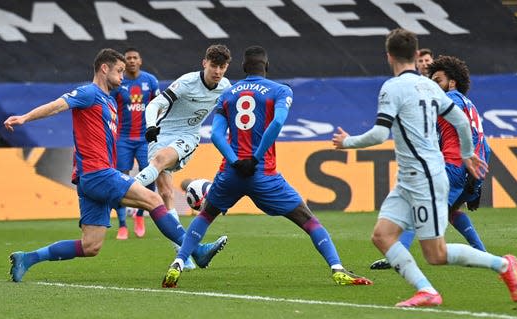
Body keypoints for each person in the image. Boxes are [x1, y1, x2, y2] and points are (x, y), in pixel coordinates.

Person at [332, 29, 517, 307]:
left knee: (435, 254)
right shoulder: (431, 86)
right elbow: (459, 120)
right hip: (410, 178)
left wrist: (346, 142)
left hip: (426, 178)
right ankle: (426, 291)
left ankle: (503, 265)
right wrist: (469, 154)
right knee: (382, 236)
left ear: (389, 56)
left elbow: (378, 135)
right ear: (414, 55)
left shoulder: (393, 87)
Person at [3, 48, 226, 282]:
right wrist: (25, 118)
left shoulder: (110, 101)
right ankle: (197, 250)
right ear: (104, 68)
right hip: (98, 173)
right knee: (153, 200)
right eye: (119, 71)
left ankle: (27, 258)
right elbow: (59, 105)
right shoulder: (89, 93)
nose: (122, 76)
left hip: (91, 178)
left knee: (90, 245)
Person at [161, 45, 373, 288]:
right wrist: (255, 158)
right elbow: (279, 121)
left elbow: (217, 135)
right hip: (263, 173)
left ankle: (178, 261)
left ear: (243, 68)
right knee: (308, 219)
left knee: (207, 214)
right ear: (267, 66)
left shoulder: (227, 94)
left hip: (231, 172)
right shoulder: (280, 90)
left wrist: (236, 161)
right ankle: (337, 269)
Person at [370, 55, 491, 270]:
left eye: (438, 80)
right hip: (470, 170)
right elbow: (484, 145)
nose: (434, 85)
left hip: (454, 167)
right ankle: (481, 251)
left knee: (419, 207)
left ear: (452, 83)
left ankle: (397, 255)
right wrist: (475, 181)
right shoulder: (469, 105)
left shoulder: (451, 99)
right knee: (452, 212)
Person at [134, 44, 233, 269]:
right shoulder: (187, 82)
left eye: (223, 67)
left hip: (187, 136)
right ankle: (186, 254)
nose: (218, 71)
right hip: (160, 133)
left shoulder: (226, 87)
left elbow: (232, 111)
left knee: (159, 161)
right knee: (166, 194)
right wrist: (150, 125)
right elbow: (155, 104)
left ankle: (124, 186)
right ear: (204, 63)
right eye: (214, 65)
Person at [110, 47, 160, 240]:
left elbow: (160, 105)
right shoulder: (118, 82)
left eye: (134, 58)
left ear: (140, 61)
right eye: (128, 58)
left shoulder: (150, 81)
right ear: (124, 62)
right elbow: (111, 107)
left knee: (150, 176)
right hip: (122, 138)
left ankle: (140, 215)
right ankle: (122, 224)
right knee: (119, 179)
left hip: (144, 138)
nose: (131, 61)